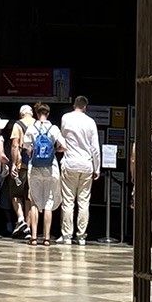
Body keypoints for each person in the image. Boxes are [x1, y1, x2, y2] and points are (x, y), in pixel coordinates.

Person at [57, 96, 101, 245]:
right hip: (86, 164)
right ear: (85, 107)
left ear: (73, 105)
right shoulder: (90, 122)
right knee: (83, 201)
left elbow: (63, 138)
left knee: (68, 201)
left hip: (70, 162)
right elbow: (95, 147)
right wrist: (97, 167)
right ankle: (81, 236)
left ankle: (67, 235)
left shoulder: (65, 118)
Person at [24, 101, 64, 245]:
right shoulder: (53, 128)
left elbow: (27, 148)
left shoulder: (31, 128)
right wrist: (55, 150)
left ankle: (34, 237)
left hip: (34, 168)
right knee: (49, 202)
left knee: (34, 201)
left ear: (36, 113)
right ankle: (47, 238)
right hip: (50, 168)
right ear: (48, 114)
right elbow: (63, 146)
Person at [6, 104, 33, 236]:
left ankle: (21, 219)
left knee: (15, 194)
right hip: (36, 167)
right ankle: (28, 228)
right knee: (29, 197)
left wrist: (14, 164)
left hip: (22, 166)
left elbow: (15, 145)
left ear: (21, 114)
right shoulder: (39, 124)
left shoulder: (18, 125)